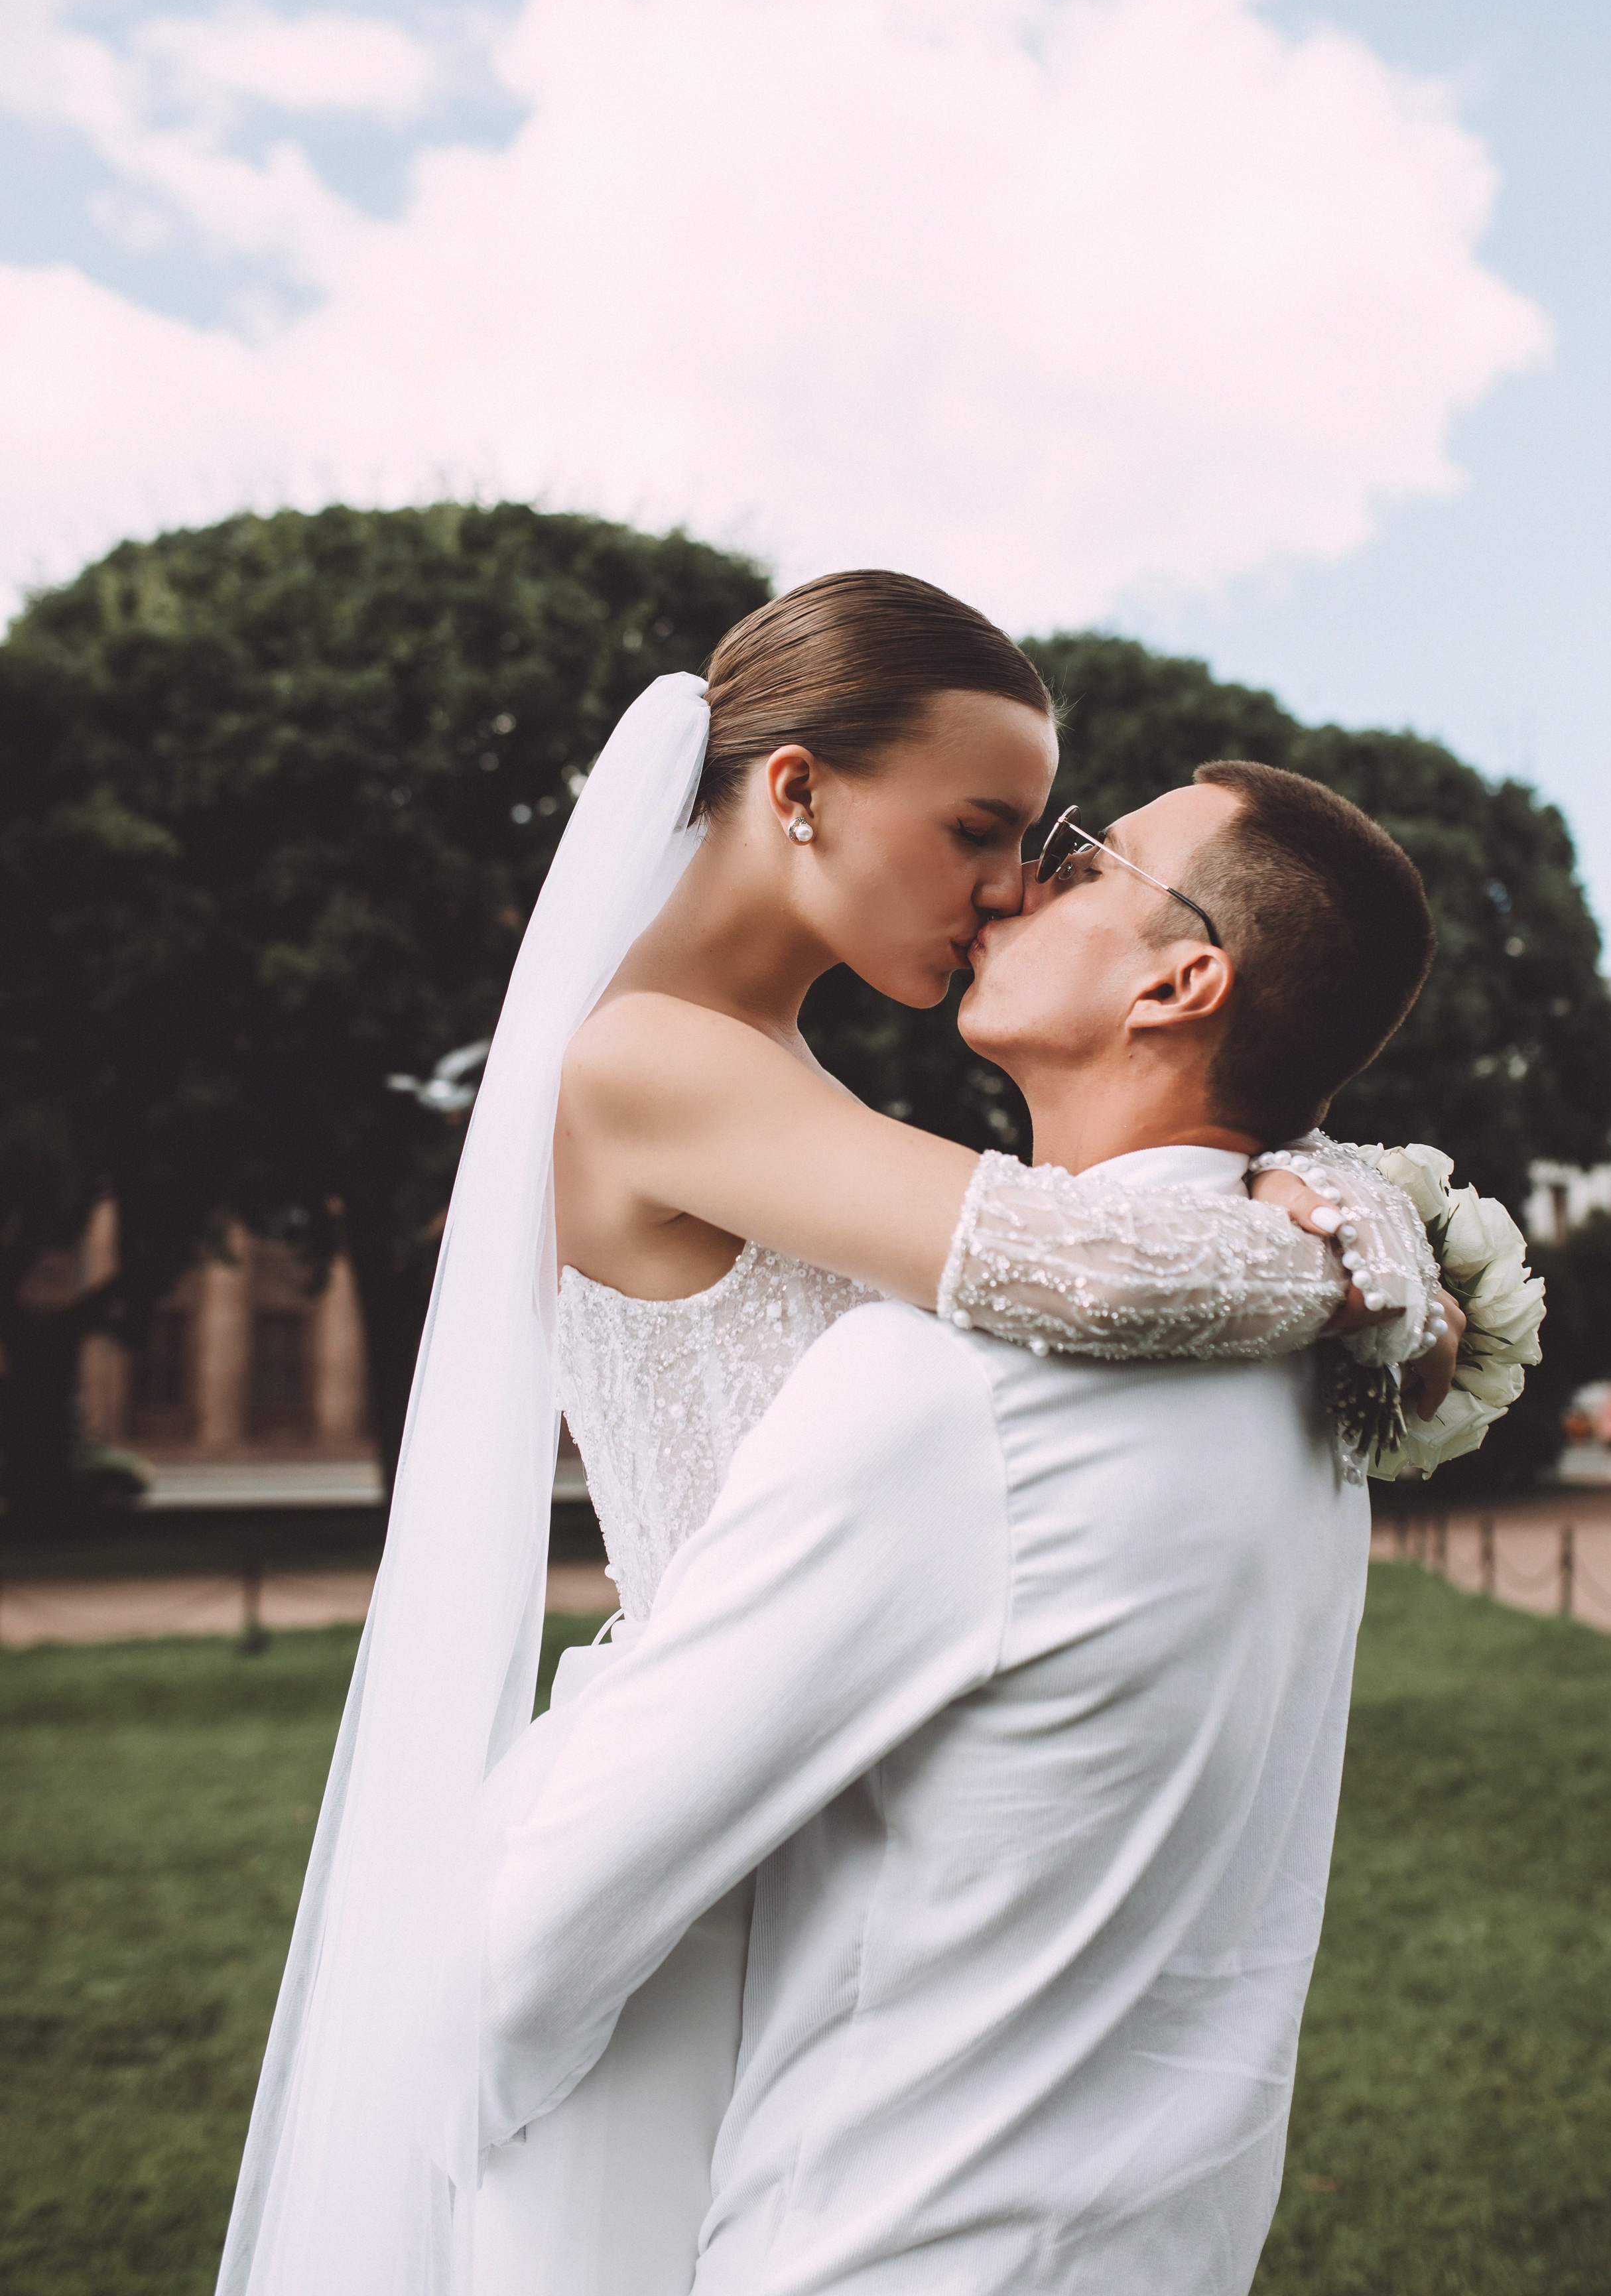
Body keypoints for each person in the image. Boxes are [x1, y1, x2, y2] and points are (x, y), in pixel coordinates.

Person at [217, 575, 1451, 2296]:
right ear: (795, 794)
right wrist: (1357, 1229)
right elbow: (1068, 1262)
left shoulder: (785, 1086)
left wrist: (1333, 1197)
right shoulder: (655, 1062)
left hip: (829, 1791)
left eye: (1043, 842)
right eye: (979, 829)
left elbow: (1053, 1253)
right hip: (686, 1825)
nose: (1012, 883)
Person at [478, 760, 1445, 2294]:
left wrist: (500, 2172)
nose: (1012, 881)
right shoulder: (1328, 1364)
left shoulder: (949, 1389)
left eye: (1080, 862)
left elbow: (529, 1938)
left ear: (1178, 976)